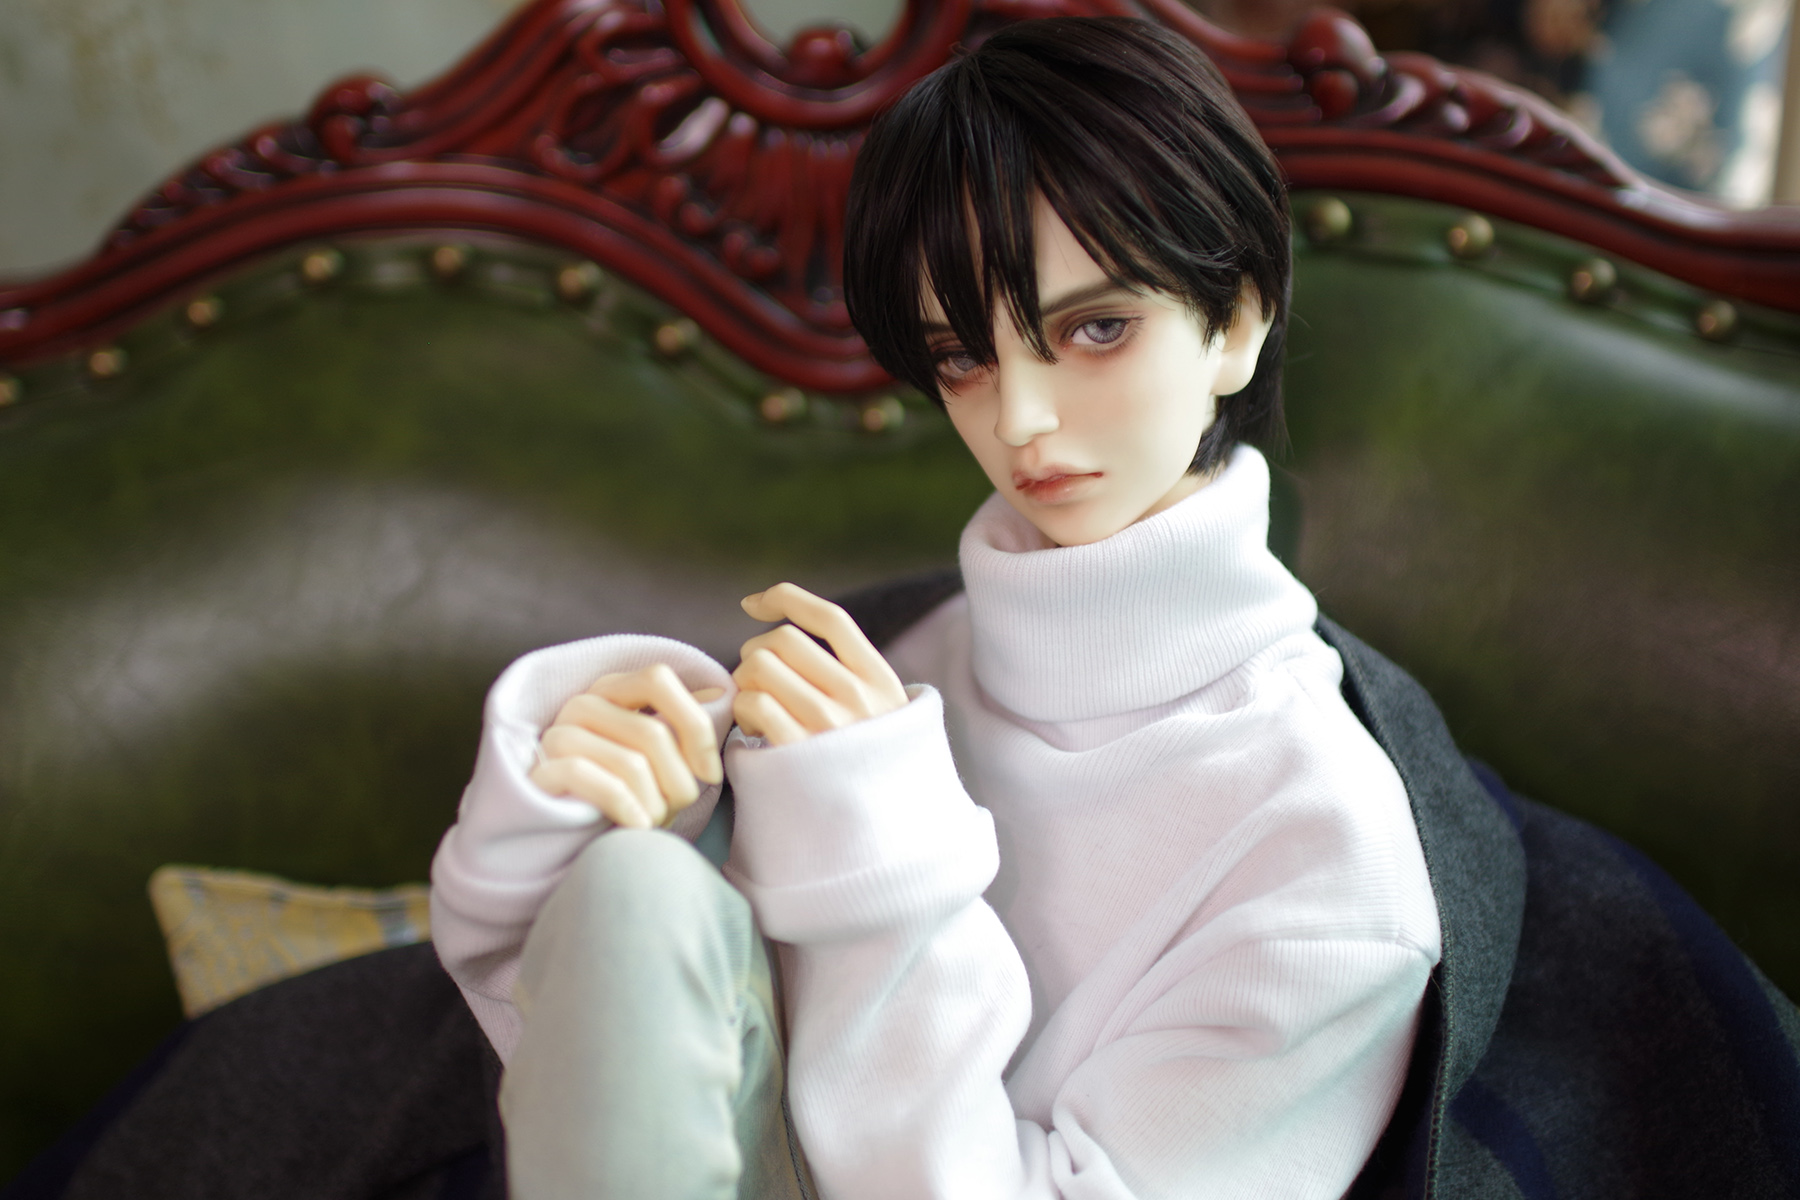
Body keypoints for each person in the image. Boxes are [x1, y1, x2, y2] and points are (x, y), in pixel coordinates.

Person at [427, 18, 1442, 1198]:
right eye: (963, 355)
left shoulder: (1325, 856)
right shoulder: (893, 663)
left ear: (1240, 322)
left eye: (1097, 328)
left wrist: (884, 873)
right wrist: (560, 840)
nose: (1020, 420)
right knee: (634, 891)